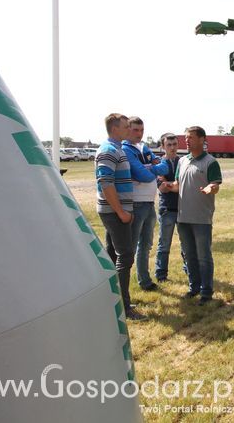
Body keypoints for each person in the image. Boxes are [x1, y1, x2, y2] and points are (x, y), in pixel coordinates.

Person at [161, 126, 222, 306]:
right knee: (189, 256)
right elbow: (178, 185)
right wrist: (167, 186)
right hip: (183, 218)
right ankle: (194, 287)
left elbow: (215, 185)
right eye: (186, 138)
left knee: (203, 256)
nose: (187, 141)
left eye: (191, 138)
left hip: (201, 218)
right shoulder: (183, 161)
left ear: (202, 139)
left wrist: (210, 188)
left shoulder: (210, 162)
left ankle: (206, 291)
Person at [95, 113, 144, 321]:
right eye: (125, 126)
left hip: (115, 212)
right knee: (125, 256)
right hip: (114, 213)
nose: (128, 129)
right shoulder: (108, 150)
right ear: (115, 129)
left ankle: (113, 300)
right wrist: (121, 212)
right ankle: (124, 307)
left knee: (113, 256)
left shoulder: (117, 149)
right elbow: (106, 184)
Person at [122, 117, 168, 292]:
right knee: (131, 248)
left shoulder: (144, 147)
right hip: (136, 203)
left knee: (146, 245)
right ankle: (123, 288)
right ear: (128, 130)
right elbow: (144, 175)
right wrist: (151, 167)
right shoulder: (126, 149)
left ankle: (145, 281)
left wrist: (148, 167)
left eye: (142, 130)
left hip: (149, 203)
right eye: (135, 130)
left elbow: (164, 168)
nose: (140, 133)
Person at [154, 133, 182, 282]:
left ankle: (189, 271)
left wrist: (170, 183)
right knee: (164, 245)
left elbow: (184, 184)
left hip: (183, 209)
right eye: (169, 145)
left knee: (186, 244)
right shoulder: (159, 164)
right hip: (167, 210)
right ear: (163, 146)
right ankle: (161, 275)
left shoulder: (183, 162)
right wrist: (176, 185)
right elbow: (163, 188)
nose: (172, 148)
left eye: (175, 144)